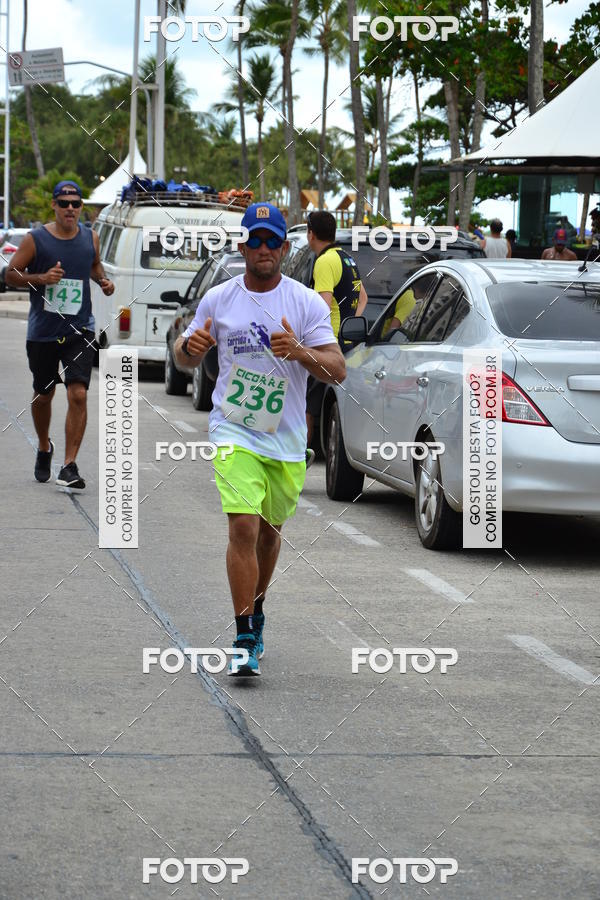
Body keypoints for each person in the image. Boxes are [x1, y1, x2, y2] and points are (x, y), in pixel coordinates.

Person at [174, 202, 345, 677]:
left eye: (273, 241)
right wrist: (189, 350)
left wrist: (302, 352)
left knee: (270, 536)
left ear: (285, 248)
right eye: (256, 240)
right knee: (243, 527)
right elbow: (184, 355)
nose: (264, 249)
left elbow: (338, 370)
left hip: (286, 440)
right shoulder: (219, 299)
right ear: (242, 245)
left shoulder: (306, 303)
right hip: (234, 430)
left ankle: (258, 606)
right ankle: (244, 632)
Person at [6, 180, 114, 489]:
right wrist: (41, 278)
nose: (70, 208)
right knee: (44, 393)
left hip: (80, 329)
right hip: (43, 332)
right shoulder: (35, 239)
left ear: (81, 207)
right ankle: (44, 447)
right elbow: (10, 274)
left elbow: (93, 266)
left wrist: (104, 281)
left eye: (75, 203)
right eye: (64, 203)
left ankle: (69, 465)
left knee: (78, 393)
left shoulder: (90, 238)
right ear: (54, 205)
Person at [305, 210, 367, 446]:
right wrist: (349, 325)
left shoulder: (324, 261)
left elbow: (323, 304)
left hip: (326, 343)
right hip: (347, 343)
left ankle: (300, 454)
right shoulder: (347, 258)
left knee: (308, 404)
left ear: (311, 234)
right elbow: (363, 298)